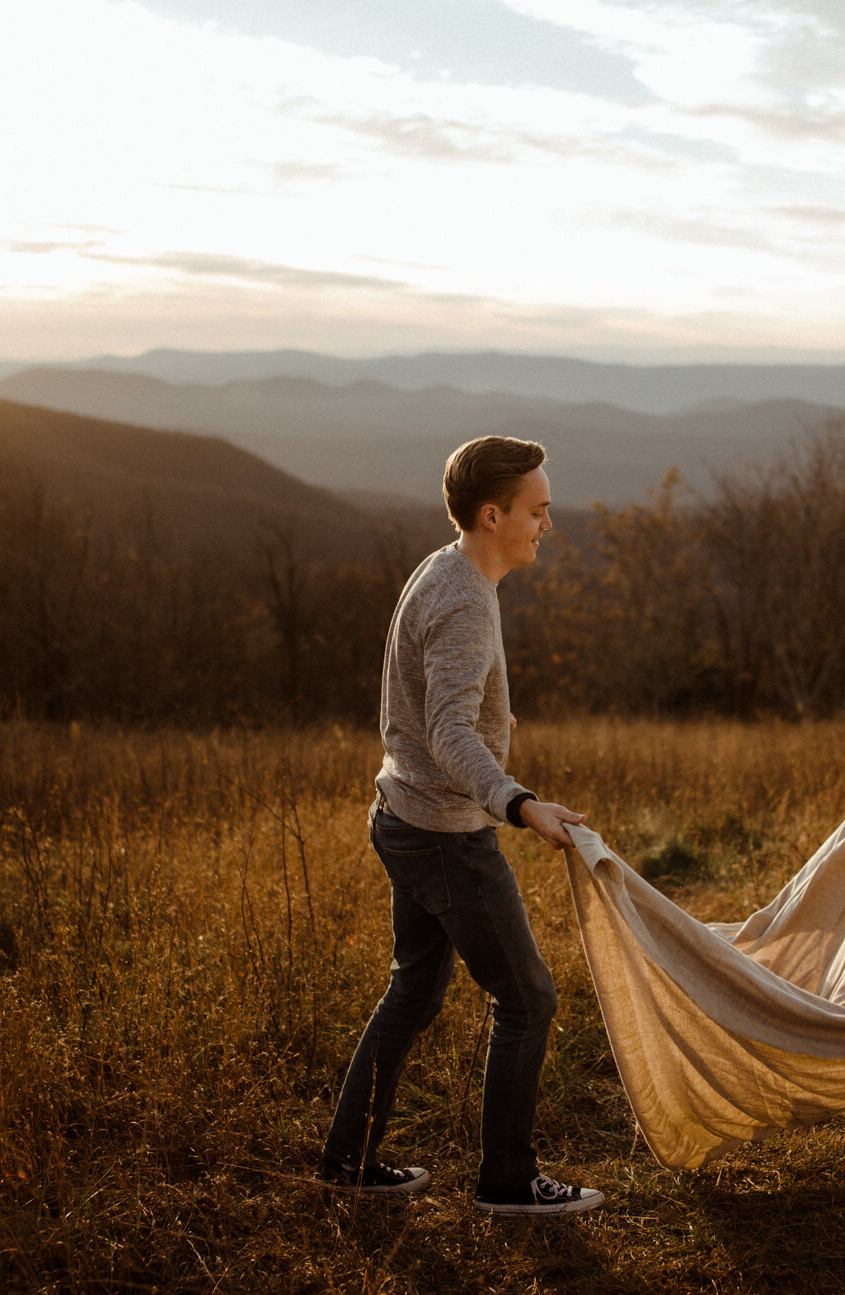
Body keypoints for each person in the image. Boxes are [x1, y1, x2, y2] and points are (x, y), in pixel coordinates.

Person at [317, 435, 606, 1216]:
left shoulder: (447, 566)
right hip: (445, 835)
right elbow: (446, 730)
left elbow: (426, 700)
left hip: (403, 813)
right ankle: (508, 1182)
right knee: (530, 999)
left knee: (413, 992)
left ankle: (346, 1160)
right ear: (493, 513)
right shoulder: (468, 599)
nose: (549, 522)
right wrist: (518, 800)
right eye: (538, 510)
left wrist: (489, 717)